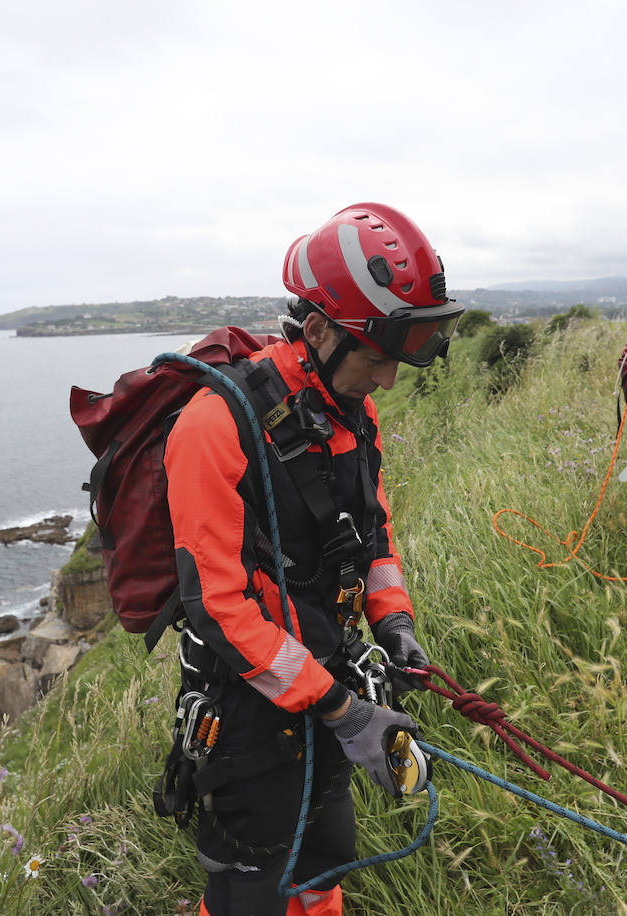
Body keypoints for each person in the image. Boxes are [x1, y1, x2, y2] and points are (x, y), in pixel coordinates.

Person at [163, 202, 464, 915]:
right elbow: (219, 609)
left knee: (322, 866)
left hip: (329, 685)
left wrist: (395, 625)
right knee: (253, 891)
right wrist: (341, 708)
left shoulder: (350, 408)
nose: (388, 380)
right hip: (246, 711)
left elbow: (374, 537)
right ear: (322, 330)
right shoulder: (215, 426)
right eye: (378, 357)